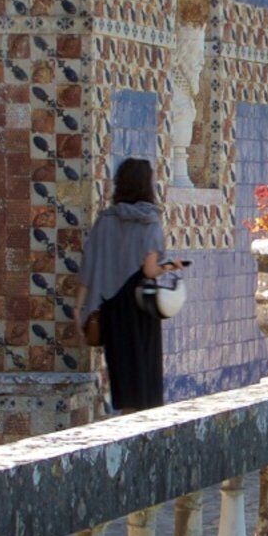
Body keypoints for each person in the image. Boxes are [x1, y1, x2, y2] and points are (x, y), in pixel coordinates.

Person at [80, 158, 171, 413]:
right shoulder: (150, 221)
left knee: (122, 375)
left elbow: (89, 266)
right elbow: (150, 269)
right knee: (145, 375)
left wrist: (80, 309)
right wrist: (171, 266)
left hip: (113, 308)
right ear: (146, 185)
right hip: (142, 308)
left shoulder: (105, 220)